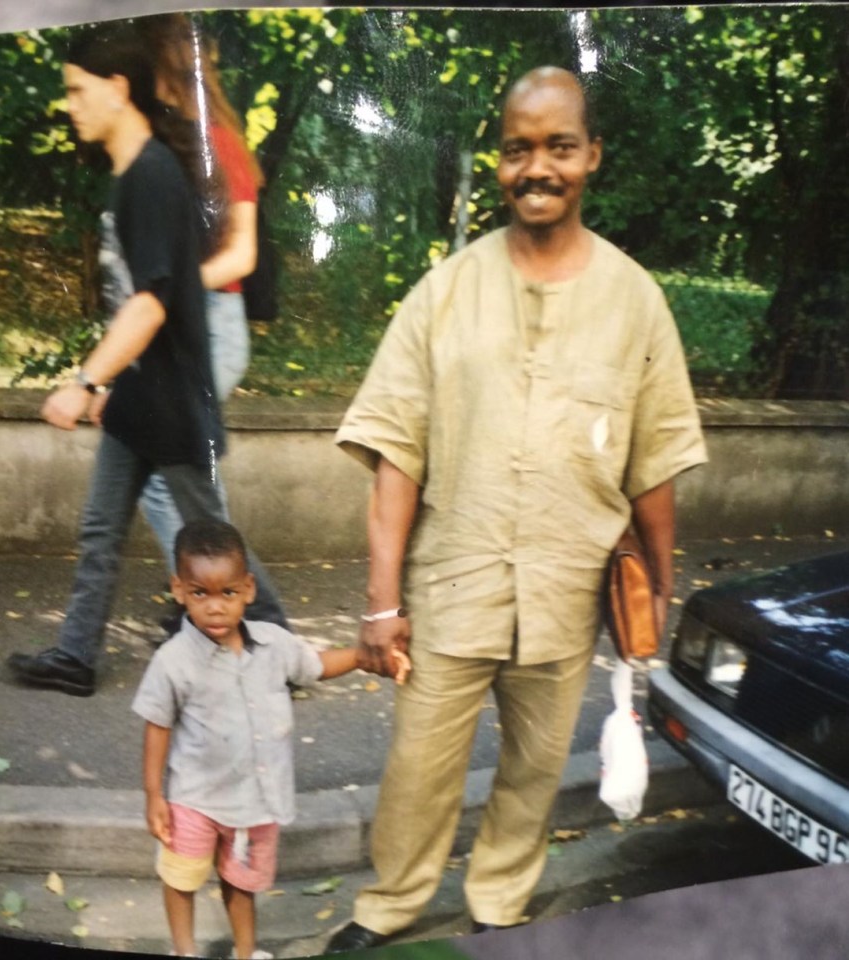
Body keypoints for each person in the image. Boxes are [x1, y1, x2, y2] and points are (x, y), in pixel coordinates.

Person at [324, 66, 708, 953]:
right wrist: (381, 604)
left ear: (591, 156)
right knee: (419, 769)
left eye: (558, 147)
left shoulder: (635, 302)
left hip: (568, 588)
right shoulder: (443, 294)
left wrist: (653, 589)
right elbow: (393, 459)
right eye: (517, 148)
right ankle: (389, 909)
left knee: (534, 770)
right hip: (453, 585)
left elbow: (654, 467)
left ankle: (498, 904)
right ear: (499, 162)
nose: (538, 167)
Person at [6, 22, 287, 698]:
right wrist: (113, 381)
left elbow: (153, 302)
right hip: (141, 392)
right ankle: (76, 656)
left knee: (207, 530)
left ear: (117, 88)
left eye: (77, 90)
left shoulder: (154, 175)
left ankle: (274, 642)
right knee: (101, 528)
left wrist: (85, 381)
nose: (69, 105)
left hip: (171, 399)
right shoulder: (133, 173)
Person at [133, 518, 384, 959]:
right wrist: (155, 795)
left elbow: (316, 665)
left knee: (241, 885)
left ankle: (246, 953)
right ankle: (184, 949)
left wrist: (362, 657)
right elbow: (157, 725)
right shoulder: (173, 662)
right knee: (181, 878)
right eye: (200, 593)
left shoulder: (275, 644)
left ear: (248, 589)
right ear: (179, 590)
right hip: (194, 801)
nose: (214, 607)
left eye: (227, 593)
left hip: (255, 803)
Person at [136, 13, 264, 576]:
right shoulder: (169, 147)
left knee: (173, 482)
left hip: (216, 325)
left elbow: (242, 256)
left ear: (166, 72)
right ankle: (216, 600)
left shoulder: (221, 145)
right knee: (178, 480)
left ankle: (216, 601)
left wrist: (177, 285)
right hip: (186, 325)